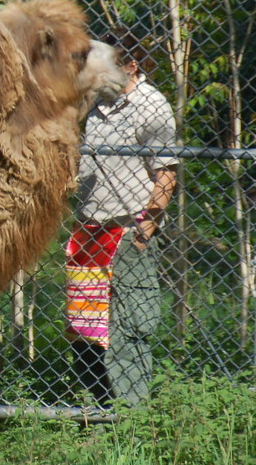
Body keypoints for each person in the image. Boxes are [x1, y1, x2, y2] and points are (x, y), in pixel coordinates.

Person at [65, 55, 178, 408]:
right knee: (85, 332)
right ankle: (93, 411)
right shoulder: (95, 103)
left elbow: (167, 174)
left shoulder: (152, 105)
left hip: (128, 232)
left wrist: (147, 227)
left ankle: (131, 418)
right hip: (88, 232)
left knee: (129, 329)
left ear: (131, 64)